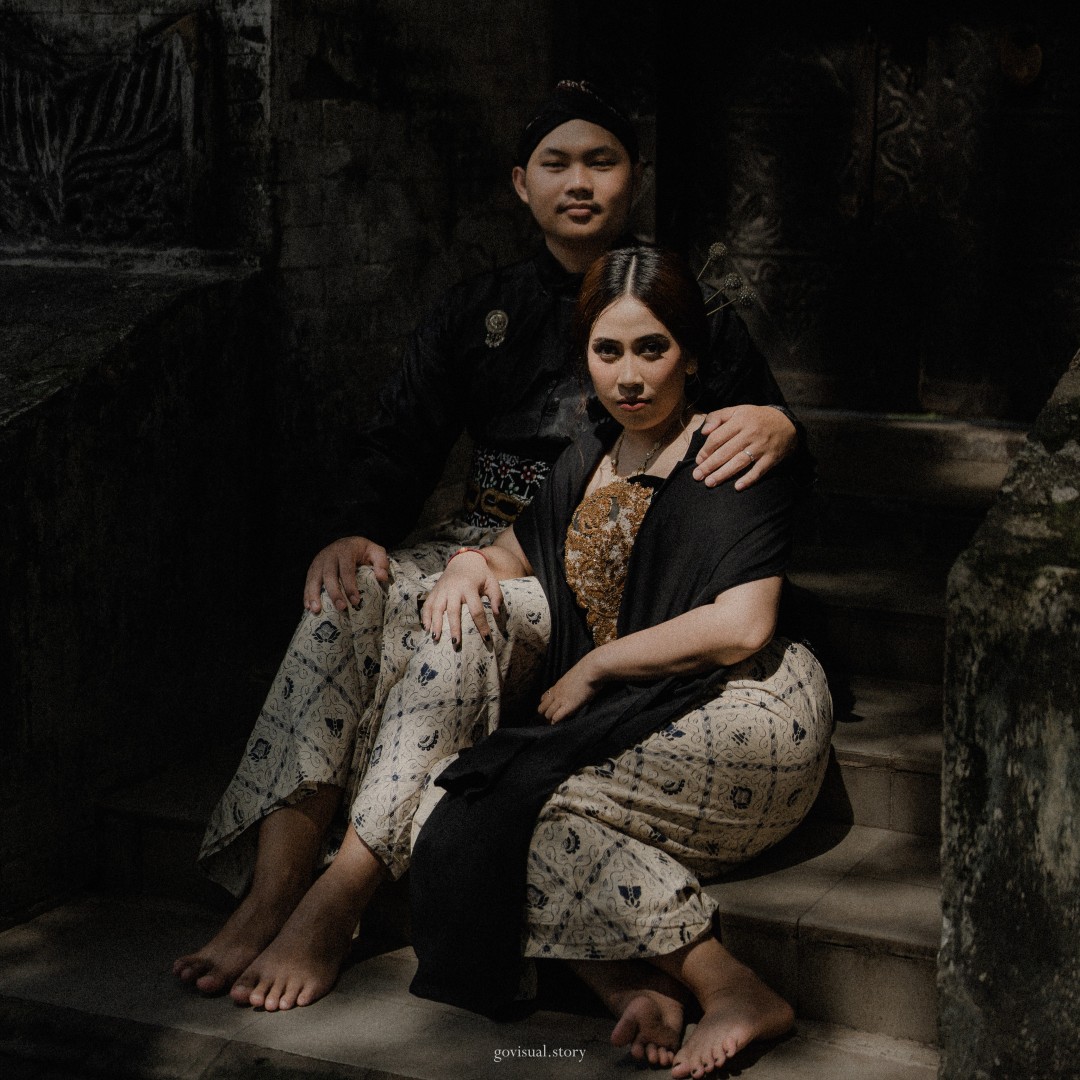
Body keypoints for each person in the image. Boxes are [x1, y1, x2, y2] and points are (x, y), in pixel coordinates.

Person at [172, 80, 802, 1013]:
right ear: (520, 182)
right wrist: (354, 530)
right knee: (348, 599)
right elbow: (399, 441)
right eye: (557, 163)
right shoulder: (478, 308)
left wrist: (784, 425)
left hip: (583, 563)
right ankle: (270, 894)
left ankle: (341, 898)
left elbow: (752, 462)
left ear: (634, 177)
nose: (578, 182)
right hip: (485, 534)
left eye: (601, 161)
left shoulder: (691, 312)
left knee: (462, 621)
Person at [409, 246, 833, 1077]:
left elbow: (744, 624)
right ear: (586, 359)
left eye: (652, 349)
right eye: (609, 351)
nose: (630, 376)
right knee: (465, 809)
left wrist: (599, 667)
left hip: (750, 708)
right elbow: (511, 550)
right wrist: (464, 567)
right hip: (651, 706)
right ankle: (631, 988)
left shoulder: (729, 445)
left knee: (518, 808)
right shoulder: (590, 455)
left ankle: (734, 987)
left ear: (692, 357)